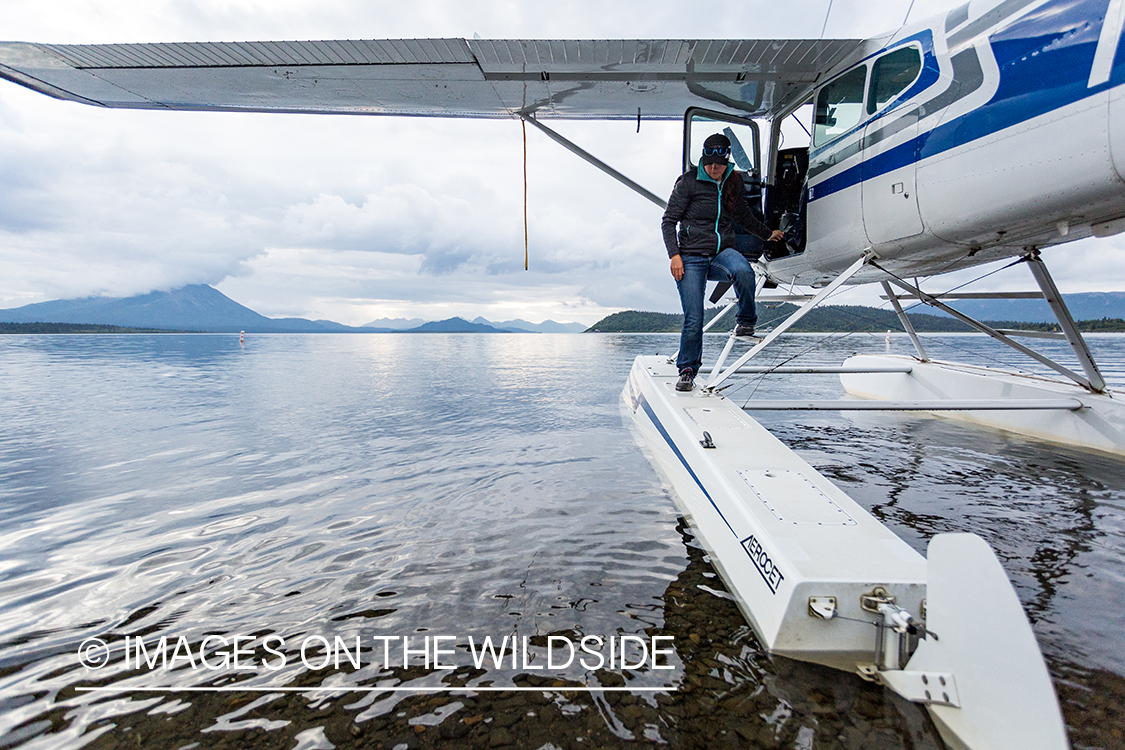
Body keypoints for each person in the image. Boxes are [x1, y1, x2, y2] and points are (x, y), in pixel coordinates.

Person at [661, 133, 784, 392]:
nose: (713, 168)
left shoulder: (733, 181)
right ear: (703, 160)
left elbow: (743, 216)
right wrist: (674, 255)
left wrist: (767, 234)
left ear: (726, 161)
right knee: (694, 318)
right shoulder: (688, 182)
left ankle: (746, 321)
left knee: (744, 270)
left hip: (721, 254)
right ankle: (687, 370)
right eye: (709, 163)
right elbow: (668, 221)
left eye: (718, 164)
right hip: (690, 257)